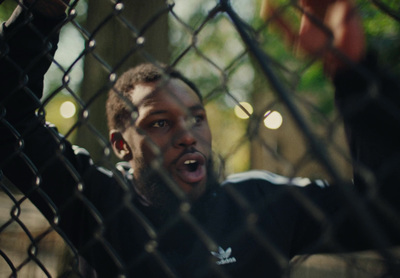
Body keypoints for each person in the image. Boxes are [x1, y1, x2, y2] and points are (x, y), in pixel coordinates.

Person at [1, 0, 400, 277]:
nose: (187, 136)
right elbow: (11, 123)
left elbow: (386, 214)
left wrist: (354, 75)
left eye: (197, 118)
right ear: (121, 145)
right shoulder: (98, 201)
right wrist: (41, 14)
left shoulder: (264, 204)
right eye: (160, 122)